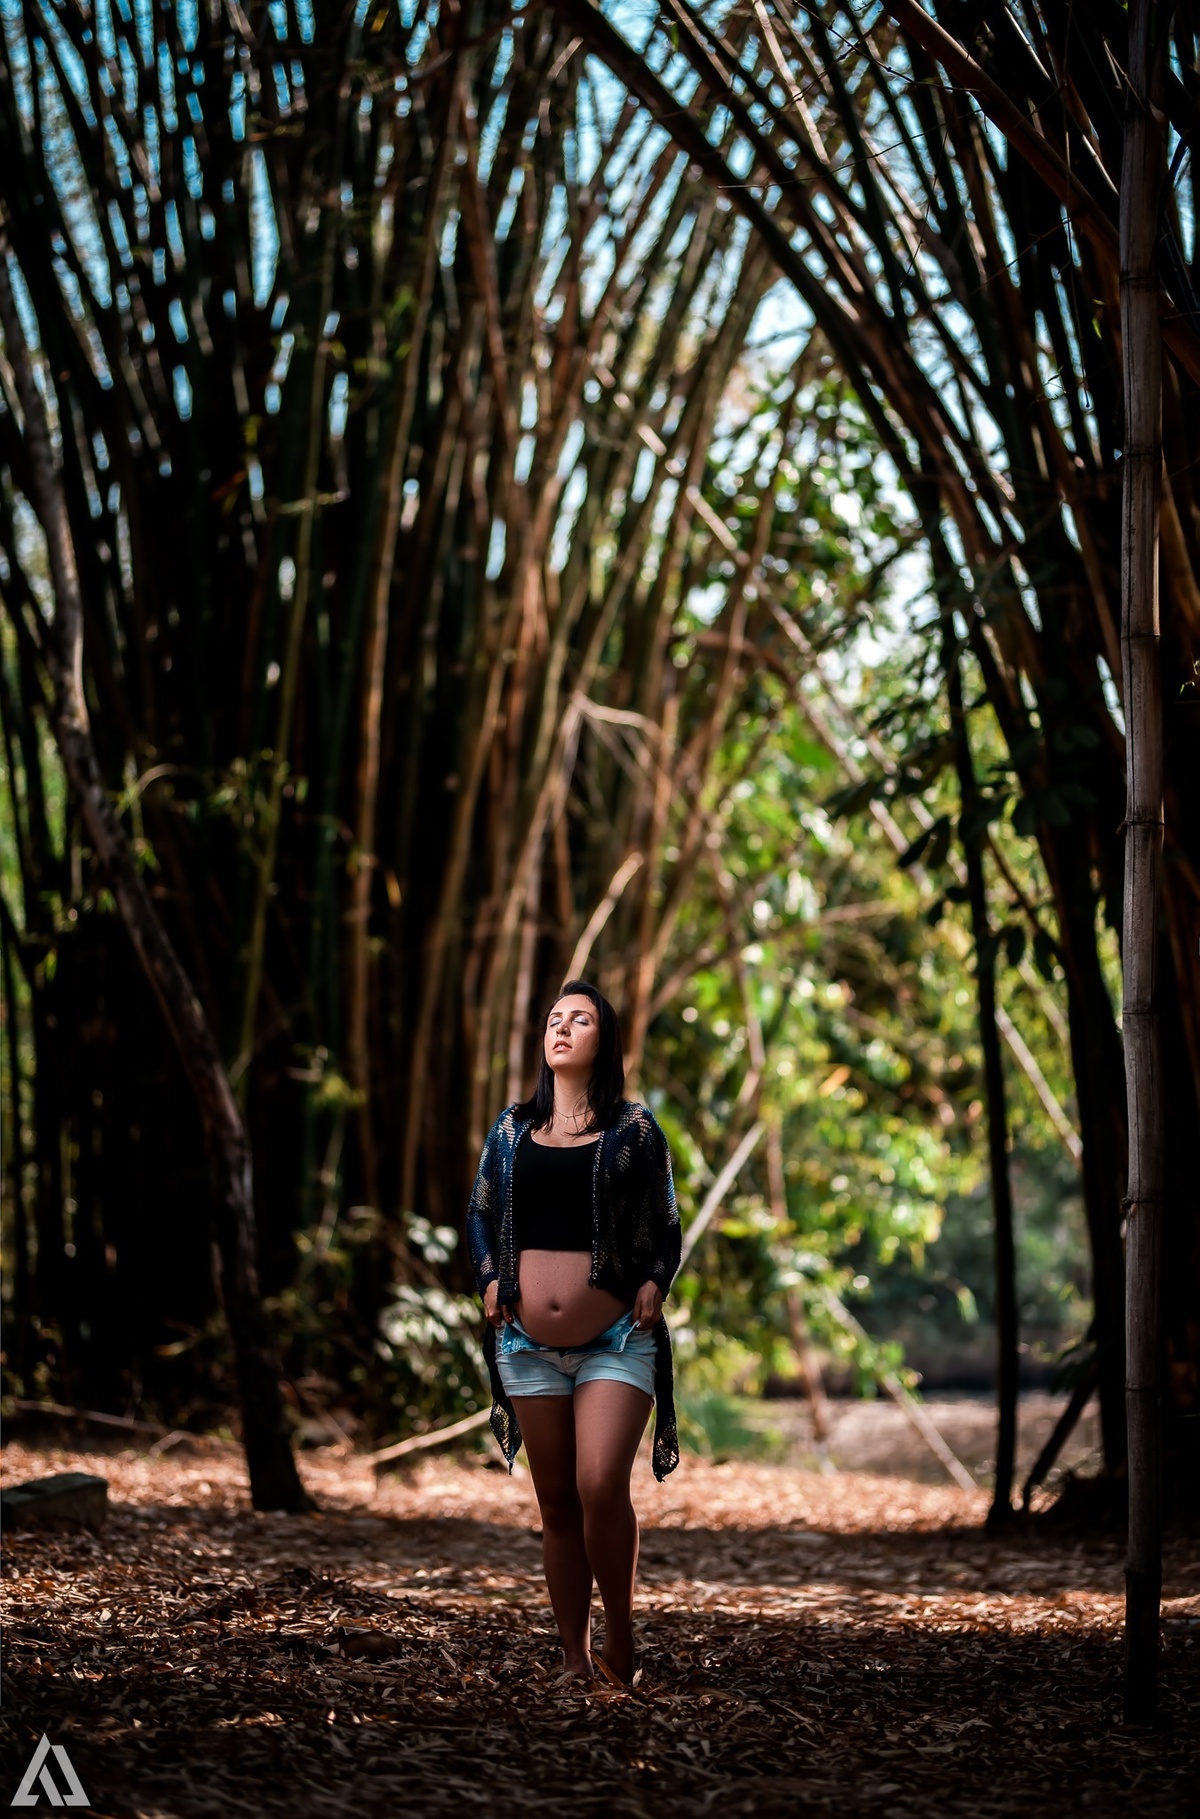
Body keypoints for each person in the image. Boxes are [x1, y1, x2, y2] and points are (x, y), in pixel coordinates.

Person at [466, 978, 681, 1686]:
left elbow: (664, 1220)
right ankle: (574, 1658)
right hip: (525, 1344)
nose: (561, 1028)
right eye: (554, 1018)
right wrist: (491, 1275)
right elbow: (479, 1215)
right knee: (556, 1502)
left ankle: (621, 1638)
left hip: (617, 1337)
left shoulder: (634, 1129)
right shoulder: (510, 1129)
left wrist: (654, 1278)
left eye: (579, 1019)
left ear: (603, 1040)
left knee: (597, 1482)